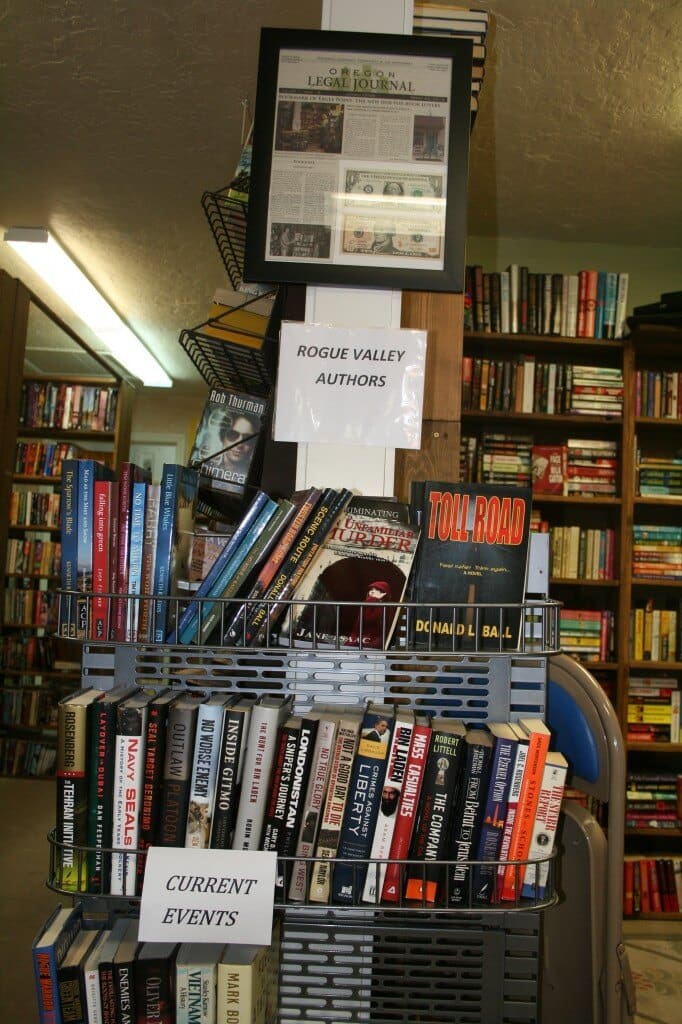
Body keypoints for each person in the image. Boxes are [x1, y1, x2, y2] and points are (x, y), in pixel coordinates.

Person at [348, 580, 392, 647]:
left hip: (372, 641)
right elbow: (358, 625)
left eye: (377, 590)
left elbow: (371, 621)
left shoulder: (386, 607)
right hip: (360, 639)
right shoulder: (367, 603)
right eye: (371, 589)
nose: (372, 591)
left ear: (384, 593)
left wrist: (373, 600)